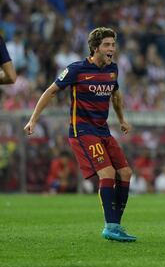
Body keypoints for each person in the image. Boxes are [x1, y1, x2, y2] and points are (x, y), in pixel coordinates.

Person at [24, 27, 136, 242]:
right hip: (82, 131)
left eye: (113, 44)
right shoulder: (76, 69)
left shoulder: (113, 69)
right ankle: (110, 226)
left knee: (126, 172)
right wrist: (33, 119)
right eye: (106, 45)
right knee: (108, 174)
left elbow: (115, 95)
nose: (111, 48)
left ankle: (116, 225)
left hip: (103, 130)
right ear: (95, 48)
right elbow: (51, 91)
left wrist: (122, 119)